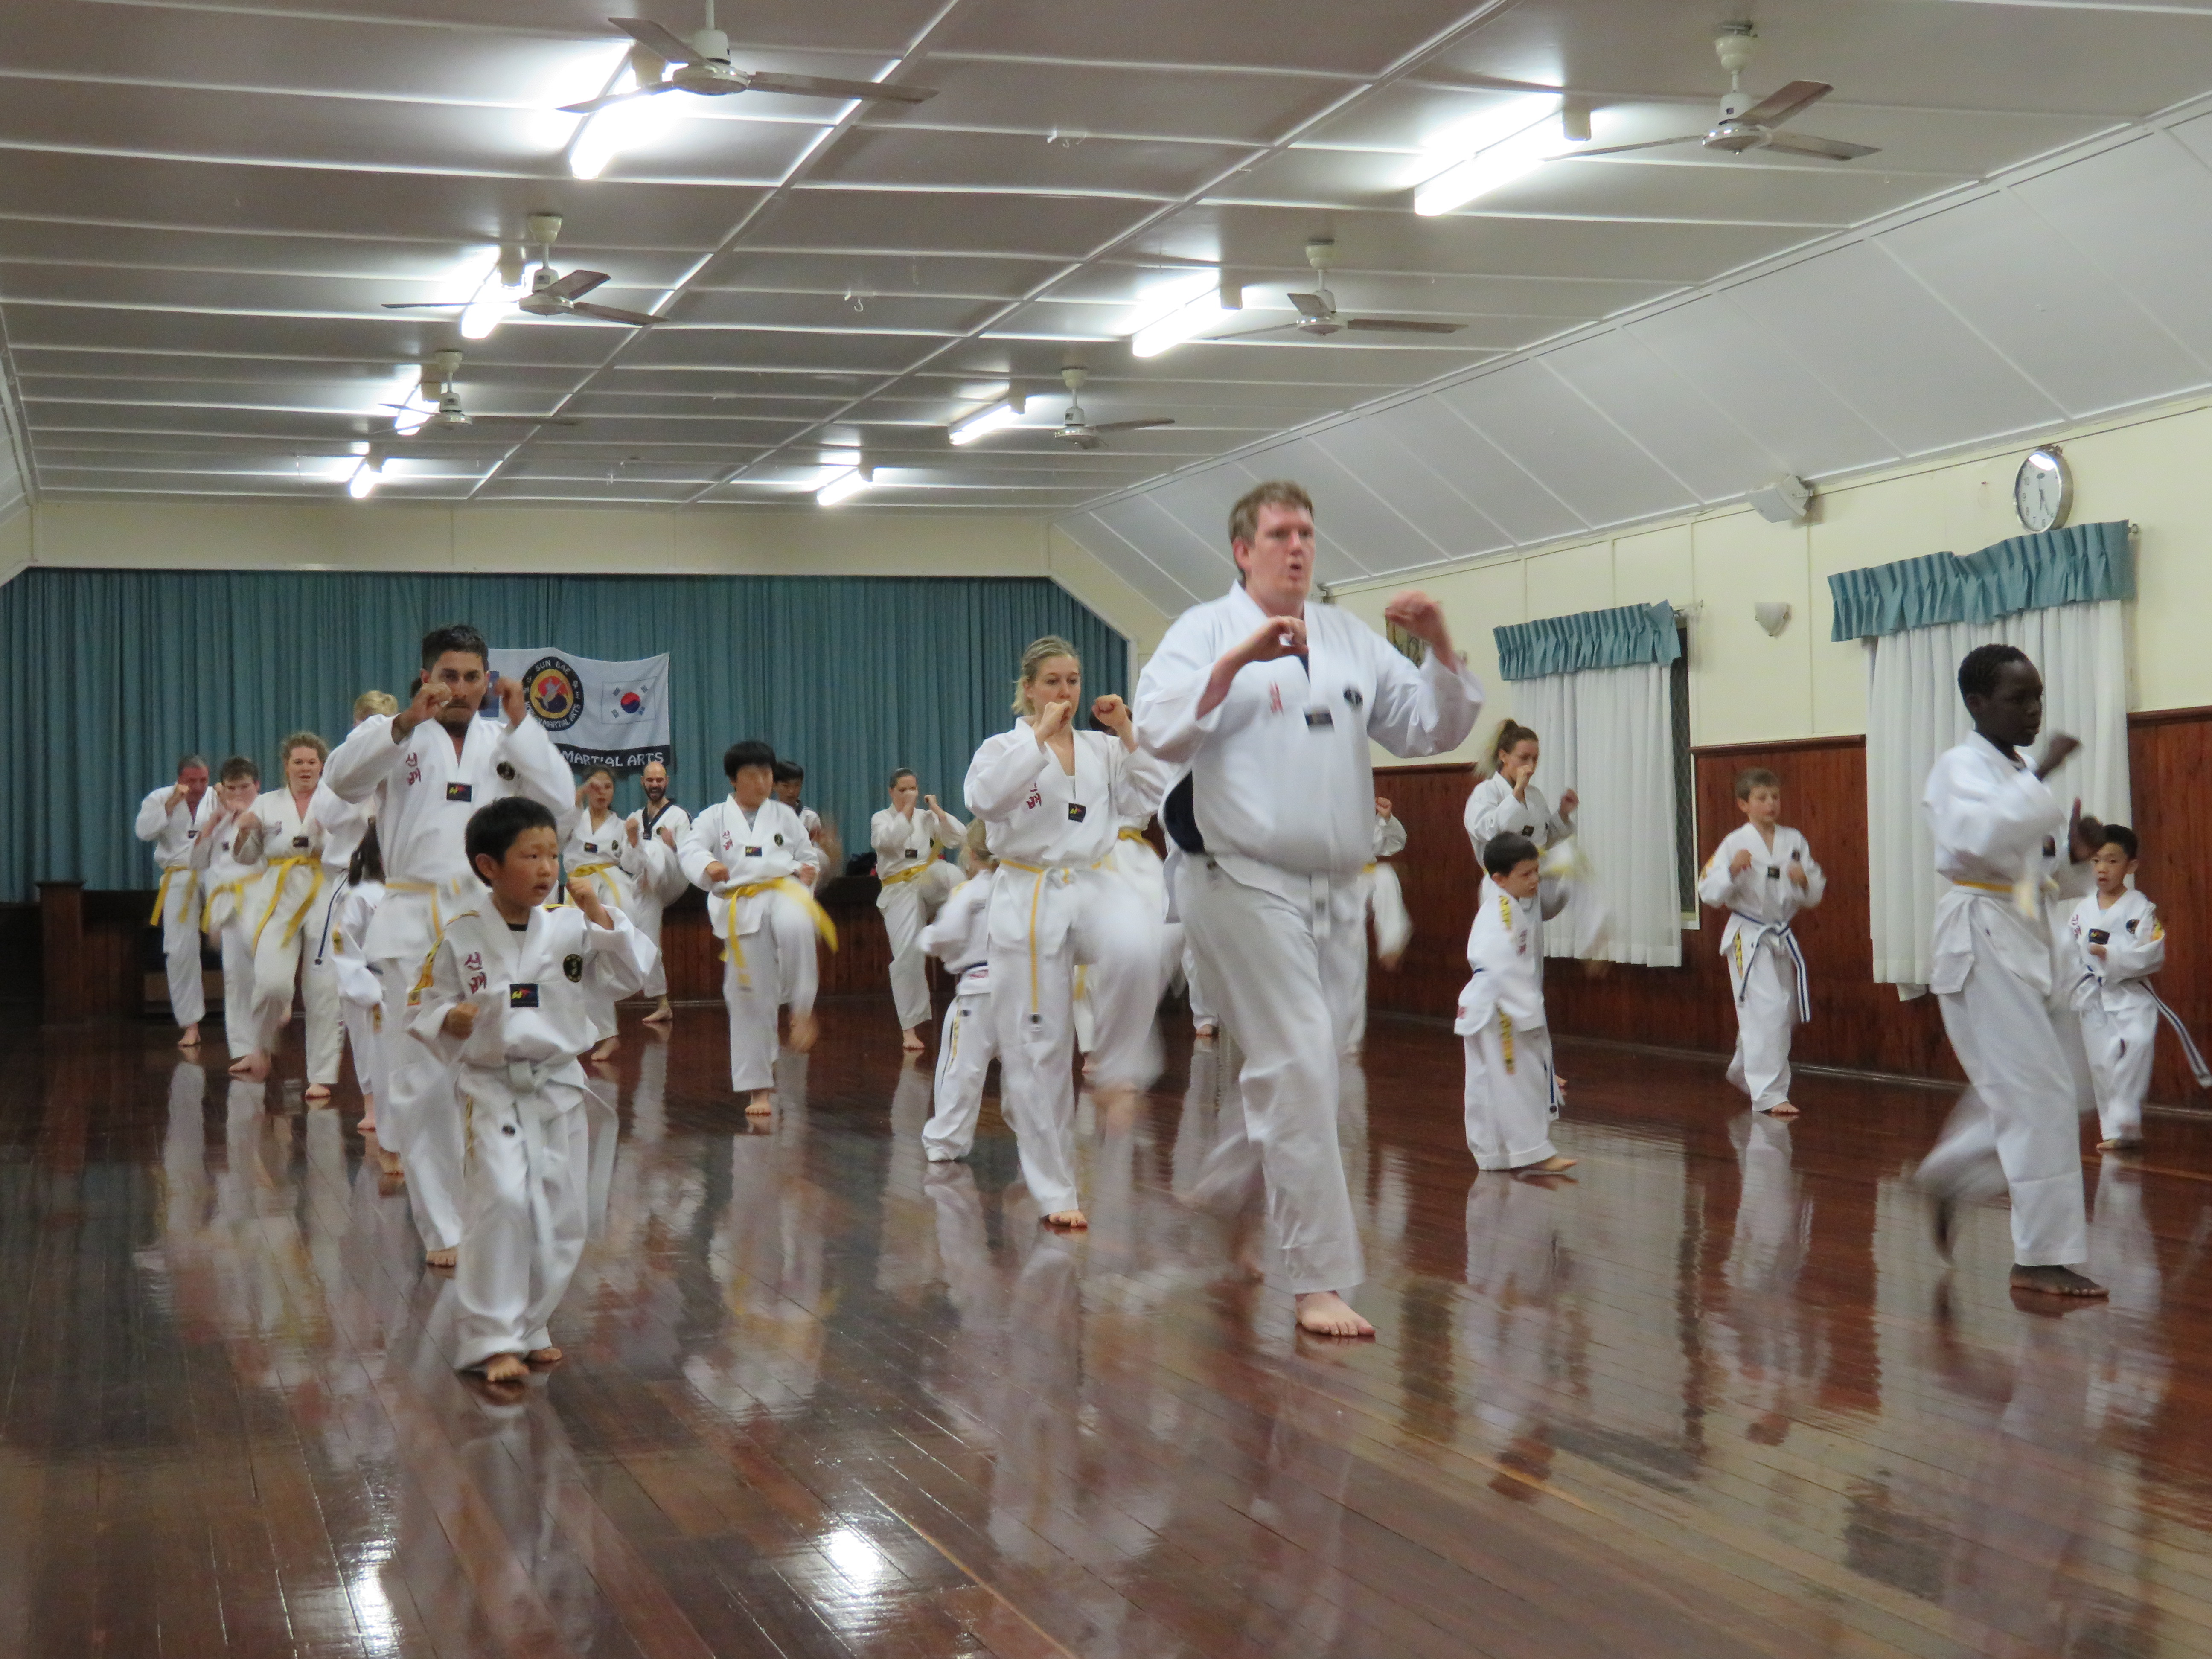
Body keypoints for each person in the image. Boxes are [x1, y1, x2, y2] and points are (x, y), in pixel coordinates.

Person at [1135, 479, 1483, 1337]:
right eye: (1279, 534)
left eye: (1306, 534)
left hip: (1332, 886)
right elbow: (1159, 731)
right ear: (1241, 550)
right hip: (1237, 877)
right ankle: (1316, 1279)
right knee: (1297, 1062)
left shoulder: (1346, 637)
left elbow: (1430, 731)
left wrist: (1438, 644)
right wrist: (1235, 664)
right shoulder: (1202, 632)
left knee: (1314, 1067)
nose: (1297, 547)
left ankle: (1233, 1190)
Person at [322, 623, 574, 1269]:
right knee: (424, 1078)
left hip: (488, 921)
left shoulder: (505, 741)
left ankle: (498, 1211)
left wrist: (525, 726)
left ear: (488, 681)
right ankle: (443, 1226)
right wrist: (404, 721)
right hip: (413, 919)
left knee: (496, 1068)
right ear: (426, 678)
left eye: (471, 678)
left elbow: (560, 806)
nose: (459, 689)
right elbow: (342, 782)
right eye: (448, 676)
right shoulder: (396, 736)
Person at [411, 797, 655, 1386]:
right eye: (531, 856)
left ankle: (532, 1324)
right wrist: (449, 1018)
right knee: (500, 1202)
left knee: (563, 1214)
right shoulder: (462, 936)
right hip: (493, 1088)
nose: (547, 869)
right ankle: (492, 1339)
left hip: (560, 1086)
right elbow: (424, 1004)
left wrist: (602, 918)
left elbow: (629, 978)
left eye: (552, 855)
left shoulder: (572, 926)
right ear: (489, 866)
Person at [1915, 643, 2105, 1298]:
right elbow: (1975, 841)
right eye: (2017, 699)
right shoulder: (1959, 769)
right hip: (1982, 938)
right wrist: (2043, 771)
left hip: (2030, 934)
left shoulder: (2015, 772)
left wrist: (2075, 860)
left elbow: (2036, 875)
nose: (2032, 711)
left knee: (2072, 1085)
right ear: (1977, 703)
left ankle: (1953, 1172)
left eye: (2037, 698)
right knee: (2038, 1097)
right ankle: (2040, 1257)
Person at [966, 635, 1168, 1230]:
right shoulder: (1002, 747)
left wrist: (1126, 729)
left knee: (1140, 942)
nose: (1065, 692)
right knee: (1041, 1044)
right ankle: (1056, 1189)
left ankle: (1115, 1068)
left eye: (1073, 681)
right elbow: (984, 801)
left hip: (1091, 883)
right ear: (1029, 689)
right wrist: (1036, 739)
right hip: (1028, 893)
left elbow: (1148, 796)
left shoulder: (1102, 748)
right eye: (1052, 681)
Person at [679, 741, 832, 1118]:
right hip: (742, 905)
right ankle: (758, 1089)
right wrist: (709, 865)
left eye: (767, 775)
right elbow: (690, 848)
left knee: (797, 921)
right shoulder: (715, 817)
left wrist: (809, 871)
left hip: (782, 890)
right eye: (753, 775)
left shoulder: (784, 816)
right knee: (749, 995)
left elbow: (807, 856)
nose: (763, 782)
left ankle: (802, 1009)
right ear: (734, 780)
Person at [2066, 824, 2206, 1150]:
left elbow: (2153, 951)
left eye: (2113, 861)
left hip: (2131, 992)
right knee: (2102, 1063)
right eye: (2097, 861)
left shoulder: (2140, 908)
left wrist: (2113, 956)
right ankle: (2118, 1131)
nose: (2103, 868)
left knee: (2138, 1044)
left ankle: (2126, 1116)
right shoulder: (2082, 909)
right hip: (2092, 995)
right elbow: (2069, 950)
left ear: (2132, 866)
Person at [1697, 767, 1826, 1118]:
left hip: (1779, 935)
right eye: (1762, 798)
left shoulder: (1794, 841)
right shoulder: (1734, 844)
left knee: (1783, 1012)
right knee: (1767, 1010)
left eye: (1775, 797)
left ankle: (1744, 1070)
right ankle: (1770, 1094)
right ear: (1744, 805)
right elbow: (1707, 891)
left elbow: (1814, 892)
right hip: (1747, 937)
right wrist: (1731, 871)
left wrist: (1803, 881)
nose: (1771, 804)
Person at [1457, 833, 1574, 1176]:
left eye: (1537, 871)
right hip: (1502, 1006)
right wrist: (1530, 1017)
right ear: (1499, 879)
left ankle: (1492, 1153)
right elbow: (1502, 968)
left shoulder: (1505, 907)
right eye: (1526, 874)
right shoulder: (1504, 914)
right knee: (1515, 1080)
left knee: (1485, 1082)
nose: (1535, 880)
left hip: (1486, 1007)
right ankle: (1532, 1152)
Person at [301, 693, 391, 1100]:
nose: (374, 728)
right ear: (356, 724)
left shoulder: (404, 763)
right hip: (348, 879)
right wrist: (363, 794)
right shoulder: (340, 767)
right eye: (367, 721)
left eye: (382, 721)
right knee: (330, 987)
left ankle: (382, 1094)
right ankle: (323, 1072)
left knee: (391, 988)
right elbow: (328, 817)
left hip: (395, 883)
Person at [248, 731, 347, 1103]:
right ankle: (261, 1044)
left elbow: (355, 843)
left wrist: (327, 836)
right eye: (298, 762)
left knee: (324, 990)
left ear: (322, 766)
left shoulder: (337, 802)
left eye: (312, 762)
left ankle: (322, 1075)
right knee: (272, 984)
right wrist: (244, 833)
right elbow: (246, 856)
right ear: (286, 766)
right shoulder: (266, 804)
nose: (305, 768)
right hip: (280, 895)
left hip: (325, 891)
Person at [189, 756, 284, 1081]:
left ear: (257, 785)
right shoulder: (218, 818)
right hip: (228, 903)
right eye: (231, 788)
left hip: (262, 899)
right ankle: (245, 1050)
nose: (238, 794)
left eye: (244, 787)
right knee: (235, 978)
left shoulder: (270, 813)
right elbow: (197, 861)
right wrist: (212, 823)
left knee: (267, 975)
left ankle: (267, 1042)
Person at [919, 819, 1000, 1163]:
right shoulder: (1021, 886)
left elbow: (944, 936)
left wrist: (926, 938)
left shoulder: (969, 892)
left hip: (977, 995)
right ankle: (1042, 1144)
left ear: (970, 854)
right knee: (1030, 1076)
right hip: (1021, 993)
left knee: (962, 1071)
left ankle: (945, 1142)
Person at [873, 768, 966, 1052]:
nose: (909, 794)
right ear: (891, 792)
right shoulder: (881, 818)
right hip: (898, 888)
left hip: (926, 878)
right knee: (907, 954)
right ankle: (910, 1030)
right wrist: (906, 812)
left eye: (913, 789)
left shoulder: (927, 817)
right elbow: (888, 842)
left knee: (954, 877)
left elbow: (958, 838)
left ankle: (958, 938)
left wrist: (936, 810)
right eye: (903, 790)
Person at [560, 765, 635, 1063]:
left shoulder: (622, 825)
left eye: (608, 786)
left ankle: (602, 1034)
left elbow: (632, 864)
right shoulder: (574, 818)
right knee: (575, 962)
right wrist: (576, 799)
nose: (602, 792)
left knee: (591, 960)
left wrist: (635, 840)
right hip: (577, 889)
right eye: (596, 786)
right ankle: (600, 1034)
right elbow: (557, 839)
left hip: (609, 891)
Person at [137, 754, 211, 1049]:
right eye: (192, 781)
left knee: (237, 940)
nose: (198, 787)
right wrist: (170, 805)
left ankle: (246, 1022)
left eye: (203, 780)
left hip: (214, 873)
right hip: (178, 875)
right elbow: (144, 832)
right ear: (180, 779)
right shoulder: (160, 798)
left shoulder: (216, 797)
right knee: (180, 949)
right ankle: (191, 1024)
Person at [329, 825, 388, 1136]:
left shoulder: (413, 893)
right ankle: (372, 1106)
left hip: (404, 984)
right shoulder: (362, 895)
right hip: (367, 983)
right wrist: (365, 988)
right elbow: (343, 944)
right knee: (368, 1047)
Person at [623, 758, 689, 1025]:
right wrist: (632, 843)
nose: (654, 784)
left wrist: (675, 846)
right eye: (650, 780)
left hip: (674, 878)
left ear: (667, 782)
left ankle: (649, 870)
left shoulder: (679, 816)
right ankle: (663, 1003)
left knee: (654, 848)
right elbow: (627, 864)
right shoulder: (634, 819)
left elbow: (693, 858)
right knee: (646, 935)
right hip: (648, 886)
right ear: (642, 782)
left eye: (659, 780)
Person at [1345, 795, 1412, 1057]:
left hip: (1363, 877)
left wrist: (1386, 818)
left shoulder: (1361, 811)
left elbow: (1395, 843)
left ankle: (1392, 942)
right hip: (1332, 883)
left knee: (1386, 876)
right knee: (1345, 958)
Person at [1463, 720, 1577, 867]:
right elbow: (1490, 833)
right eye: (1524, 758)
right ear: (1503, 756)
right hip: (1502, 876)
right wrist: (1516, 795)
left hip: (1534, 875)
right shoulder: (1486, 792)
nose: (1531, 766)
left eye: (1535, 759)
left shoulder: (1534, 795)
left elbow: (1542, 840)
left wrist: (1563, 813)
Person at [774, 760, 838, 885]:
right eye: (786, 786)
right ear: (774, 785)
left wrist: (827, 845)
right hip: (776, 871)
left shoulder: (810, 817)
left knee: (819, 855)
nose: (792, 791)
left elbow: (815, 855)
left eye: (796, 786)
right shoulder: (767, 815)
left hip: (802, 873)